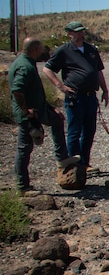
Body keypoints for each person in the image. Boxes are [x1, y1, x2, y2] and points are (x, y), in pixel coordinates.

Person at [11, 38, 77, 193]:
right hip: (29, 115)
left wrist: (50, 107)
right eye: (40, 48)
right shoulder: (24, 66)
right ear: (35, 49)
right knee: (24, 148)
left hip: (38, 110)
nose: (42, 51)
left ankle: (62, 158)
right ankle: (22, 187)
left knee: (57, 120)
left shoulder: (26, 61)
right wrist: (26, 111)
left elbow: (34, 92)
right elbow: (17, 89)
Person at [43, 21, 109, 173]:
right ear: (70, 34)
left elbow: (98, 71)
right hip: (75, 97)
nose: (81, 34)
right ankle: (73, 164)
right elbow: (47, 69)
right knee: (75, 131)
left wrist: (105, 90)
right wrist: (60, 86)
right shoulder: (64, 51)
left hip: (90, 96)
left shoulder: (91, 49)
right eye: (77, 32)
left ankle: (85, 163)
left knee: (89, 130)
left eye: (82, 31)